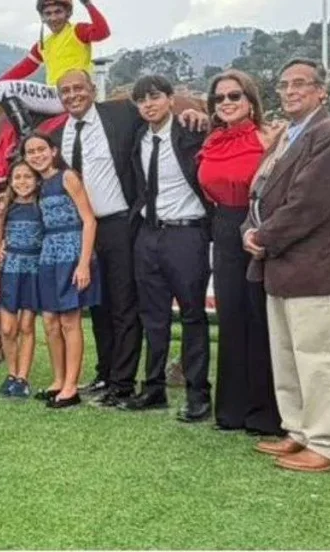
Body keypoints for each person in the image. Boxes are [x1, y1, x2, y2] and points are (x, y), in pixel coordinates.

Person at [35, 68, 206, 410]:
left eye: (78, 88)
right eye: (65, 91)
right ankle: (105, 371)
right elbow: (43, 168)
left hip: (120, 224)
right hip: (83, 229)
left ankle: (123, 383)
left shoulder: (122, 114)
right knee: (98, 303)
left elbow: (160, 113)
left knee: (125, 304)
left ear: (92, 89)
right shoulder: (61, 132)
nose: (72, 95)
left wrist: (195, 113)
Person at [245, 58, 330, 473]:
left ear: (321, 91)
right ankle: (299, 431)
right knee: (289, 354)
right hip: (280, 265)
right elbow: (258, 193)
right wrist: (250, 231)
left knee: (318, 356)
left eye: (301, 84)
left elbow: (309, 202)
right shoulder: (287, 137)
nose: (290, 91)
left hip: (316, 264)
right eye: (284, 85)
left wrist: (263, 237)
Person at [197, 70, 284, 435]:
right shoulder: (211, 139)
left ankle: (266, 414)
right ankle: (231, 411)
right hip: (223, 227)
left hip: (258, 226)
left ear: (251, 100)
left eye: (235, 96)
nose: (227, 103)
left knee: (260, 316)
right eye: (220, 98)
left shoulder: (270, 137)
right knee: (230, 315)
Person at [120, 75, 211, 423]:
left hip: (187, 235)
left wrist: (205, 118)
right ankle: (153, 388)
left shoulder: (192, 132)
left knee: (192, 315)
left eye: (155, 97)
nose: (148, 104)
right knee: (152, 317)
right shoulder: (138, 139)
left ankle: (198, 395)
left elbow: (220, 130)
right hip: (147, 235)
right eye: (141, 100)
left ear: (172, 99)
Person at [0, 0, 111, 187]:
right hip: (53, 96)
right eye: (48, 14)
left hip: (70, 94)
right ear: (42, 17)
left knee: (3, 90)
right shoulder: (43, 44)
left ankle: (26, 140)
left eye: (58, 12)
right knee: (0, 91)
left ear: (68, 13)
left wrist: (88, 4)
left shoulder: (78, 31)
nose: (53, 18)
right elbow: (22, 69)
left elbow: (102, 32)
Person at [21, 132, 99, 409]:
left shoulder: (68, 177)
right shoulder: (37, 185)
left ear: (53, 151)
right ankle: (58, 380)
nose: (37, 155)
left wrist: (83, 263)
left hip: (71, 251)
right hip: (48, 254)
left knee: (69, 321)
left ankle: (71, 386)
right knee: (50, 322)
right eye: (30, 152)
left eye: (41, 149)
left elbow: (89, 220)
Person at [0, 160, 42, 400]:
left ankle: (23, 378)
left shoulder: (41, 206)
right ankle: (11, 373)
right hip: (9, 271)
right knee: (8, 328)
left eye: (27, 177)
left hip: (33, 271)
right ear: (10, 182)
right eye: (17, 177)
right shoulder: (6, 207)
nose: (22, 182)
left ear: (37, 180)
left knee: (27, 326)